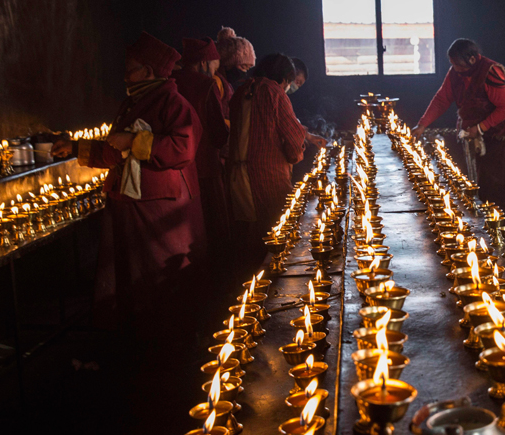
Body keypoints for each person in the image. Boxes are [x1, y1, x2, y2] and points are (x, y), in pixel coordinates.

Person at [53, 32, 204, 326]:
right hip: (129, 202)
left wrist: (136, 141)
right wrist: (73, 148)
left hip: (158, 207)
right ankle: (137, 334)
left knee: (157, 270)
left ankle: (168, 335)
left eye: (130, 67)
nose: (125, 74)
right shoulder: (134, 102)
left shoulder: (173, 103)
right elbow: (114, 150)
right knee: (132, 274)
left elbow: (183, 148)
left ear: (148, 71)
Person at [412, 39, 505, 230]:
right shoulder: (455, 72)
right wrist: (422, 125)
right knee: (485, 186)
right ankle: (490, 231)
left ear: (473, 59)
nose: (455, 69)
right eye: (452, 64)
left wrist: (480, 128)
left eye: (457, 64)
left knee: (501, 188)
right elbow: (441, 99)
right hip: (479, 138)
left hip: (500, 138)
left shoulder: (491, 71)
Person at [226, 54, 322, 271]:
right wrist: (296, 156)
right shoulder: (273, 92)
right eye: (290, 81)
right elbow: (292, 135)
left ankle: (246, 279)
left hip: (237, 172)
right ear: (284, 78)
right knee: (275, 228)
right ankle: (272, 281)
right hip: (267, 173)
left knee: (247, 227)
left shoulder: (242, 90)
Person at [172, 37, 230, 257]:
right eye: (215, 63)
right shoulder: (206, 85)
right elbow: (217, 131)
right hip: (205, 165)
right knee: (213, 224)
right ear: (205, 62)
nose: (216, 69)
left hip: (178, 169)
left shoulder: (171, 81)